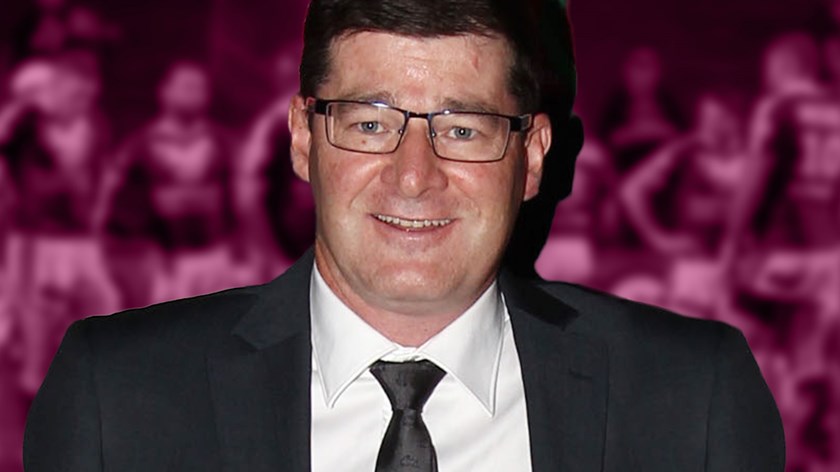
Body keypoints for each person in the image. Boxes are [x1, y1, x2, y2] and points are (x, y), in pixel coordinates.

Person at [25, 1, 784, 471]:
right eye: (369, 124)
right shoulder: (114, 399)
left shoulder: (694, 401)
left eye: (463, 128)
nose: (414, 176)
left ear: (532, 158)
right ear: (302, 139)